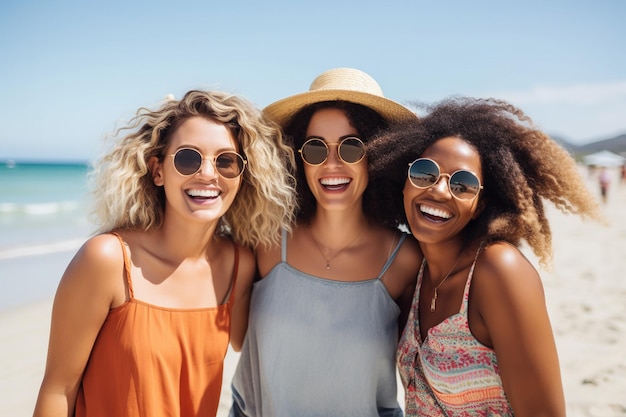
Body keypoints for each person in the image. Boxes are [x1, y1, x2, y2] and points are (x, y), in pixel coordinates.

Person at [32, 90, 297, 417]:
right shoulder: (109, 260)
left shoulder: (239, 264)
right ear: (157, 170)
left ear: (244, 175)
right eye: (188, 157)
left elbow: (263, 345)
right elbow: (59, 390)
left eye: (226, 161)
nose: (209, 174)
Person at [367, 97, 604, 417]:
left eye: (462, 184)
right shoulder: (414, 273)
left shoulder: (497, 270)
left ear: (480, 204)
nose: (438, 190)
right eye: (425, 173)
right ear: (404, 182)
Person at [230, 68, 424, 417]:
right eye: (315, 148)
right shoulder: (263, 240)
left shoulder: (405, 259)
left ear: (378, 154)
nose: (331, 164)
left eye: (351, 147)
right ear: (297, 155)